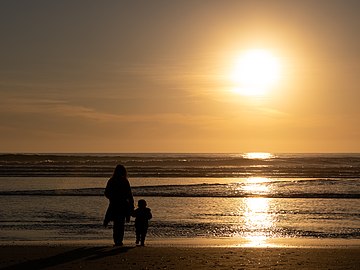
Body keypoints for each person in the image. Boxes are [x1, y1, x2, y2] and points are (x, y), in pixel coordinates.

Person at [104, 164, 134, 246]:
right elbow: (129, 194)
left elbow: (106, 193)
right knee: (121, 223)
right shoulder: (125, 181)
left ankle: (116, 240)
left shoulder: (111, 180)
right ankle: (119, 241)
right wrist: (131, 205)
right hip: (123, 204)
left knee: (116, 224)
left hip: (114, 204)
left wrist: (112, 197)